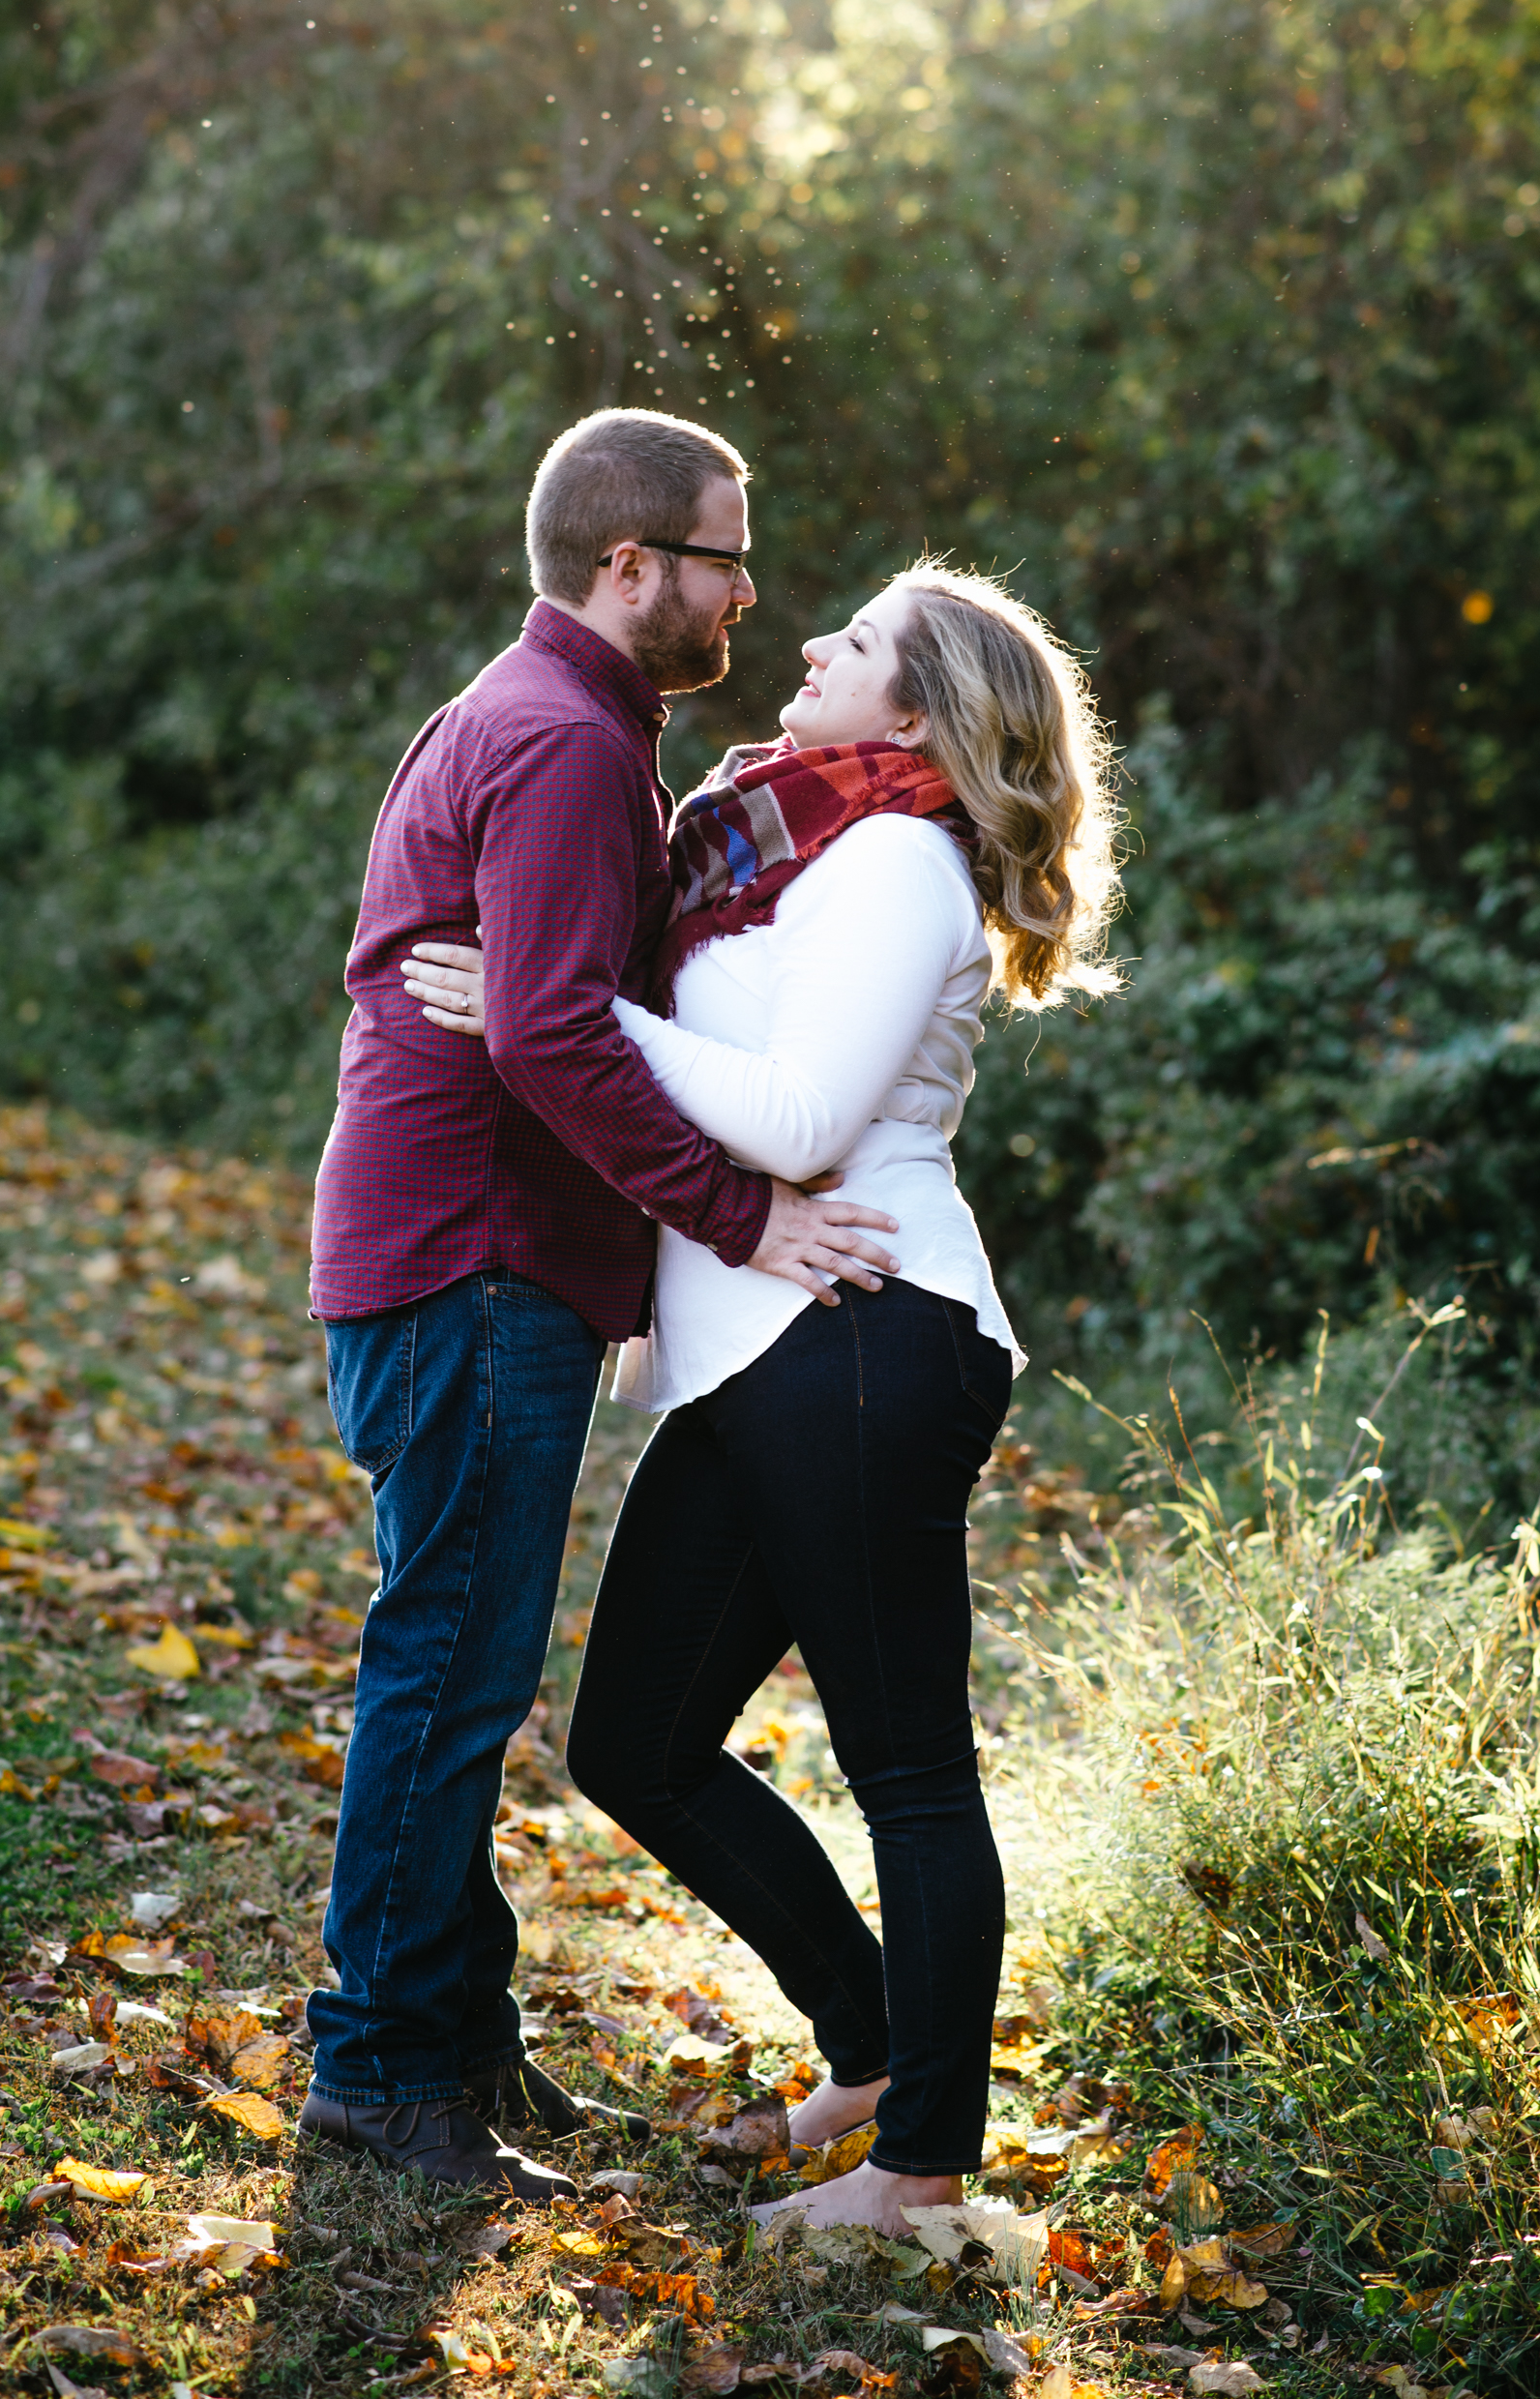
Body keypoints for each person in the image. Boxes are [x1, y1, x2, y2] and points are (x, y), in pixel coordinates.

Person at [403, 559, 1120, 2235]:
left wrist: (559, 1015)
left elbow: (799, 1124)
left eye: (859, 645)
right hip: (762, 1358)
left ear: (924, 715)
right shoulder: (789, 843)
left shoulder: (889, 858)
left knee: (912, 1771)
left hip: (869, 1338)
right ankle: (870, 2052)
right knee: (637, 1744)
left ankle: (925, 2171)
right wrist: (568, 1015)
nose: (811, 645)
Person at [299, 409, 901, 2201]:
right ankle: (387, 2077)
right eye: (724, 553)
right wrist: (734, 1215)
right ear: (628, 567)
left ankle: (459, 2047)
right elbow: (552, 1030)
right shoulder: (565, 743)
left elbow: (546, 1009)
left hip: (475, 1262)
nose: (747, 588)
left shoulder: (557, 720)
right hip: (469, 1263)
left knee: (460, 1660)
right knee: (449, 1667)